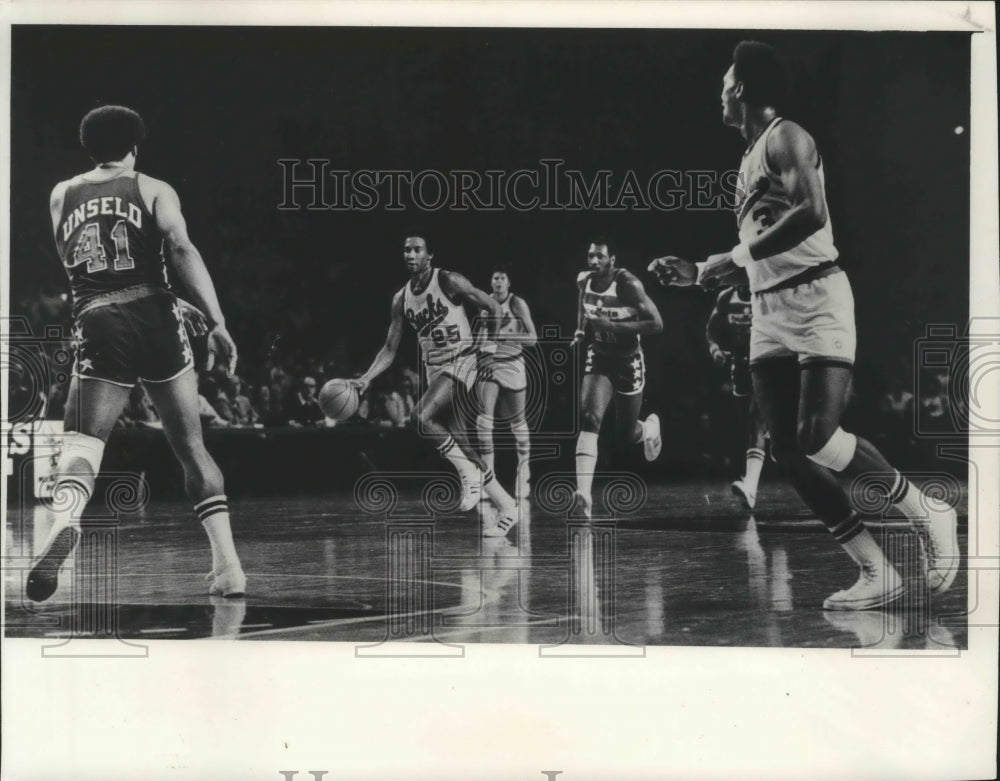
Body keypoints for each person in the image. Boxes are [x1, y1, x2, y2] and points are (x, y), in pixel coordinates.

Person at [649, 41, 957, 610]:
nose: (718, 91)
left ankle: (923, 507)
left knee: (818, 433)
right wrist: (702, 272)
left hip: (817, 297)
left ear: (740, 87)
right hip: (769, 311)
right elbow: (760, 249)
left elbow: (811, 213)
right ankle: (876, 570)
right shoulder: (745, 162)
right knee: (790, 453)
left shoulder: (787, 137)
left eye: (723, 82)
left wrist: (732, 261)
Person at [27, 105, 246, 602]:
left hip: (100, 318)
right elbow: (180, 249)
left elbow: (84, 269)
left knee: (84, 443)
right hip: (156, 317)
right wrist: (215, 320)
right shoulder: (153, 187)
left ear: (89, 148)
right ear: (136, 145)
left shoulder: (61, 194)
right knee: (191, 446)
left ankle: (65, 525)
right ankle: (229, 568)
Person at [353, 235, 521, 537]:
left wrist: (488, 352)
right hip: (436, 369)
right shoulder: (401, 298)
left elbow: (493, 307)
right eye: (406, 249)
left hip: (463, 360)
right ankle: (507, 505)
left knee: (420, 417)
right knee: (462, 443)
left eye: (417, 250)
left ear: (430, 255)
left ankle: (468, 475)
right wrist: (366, 377)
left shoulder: (448, 279)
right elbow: (390, 349)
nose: (411, 254)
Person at [571, 239, 663, 519]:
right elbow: (582, 307)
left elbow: (656, 324)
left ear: (612, 259)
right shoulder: (584, 280)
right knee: (590, 417)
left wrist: (615, 326)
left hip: (628, 360)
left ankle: (649, 429)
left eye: (599, 256)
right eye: (590, 255)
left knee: (625, 436)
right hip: (600, 357)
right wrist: (579, 331)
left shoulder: (628, 285)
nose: (593, 261)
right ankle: (584, 494)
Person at [474, 266, 537, 498]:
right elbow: (481, 334)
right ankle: (487, 477)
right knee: (484, 420)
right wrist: (479, 354)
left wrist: (504, 336)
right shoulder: (485, 303)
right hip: (490, 362)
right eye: (494, 277)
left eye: (502, 277)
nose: (498, 281)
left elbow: (533, 339)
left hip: (513, 362)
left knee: (518, 423)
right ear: (491, 281)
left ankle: (524, 470)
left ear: (509, 282)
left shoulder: (517, 303)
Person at [706, 284, 768, 509]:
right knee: (749, 422)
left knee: (756, 419)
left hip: (767, 359)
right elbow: (711, 330)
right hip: (740, 364)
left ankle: (751, 485)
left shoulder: (766, 291)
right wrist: (715, 349)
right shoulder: (726, 297)